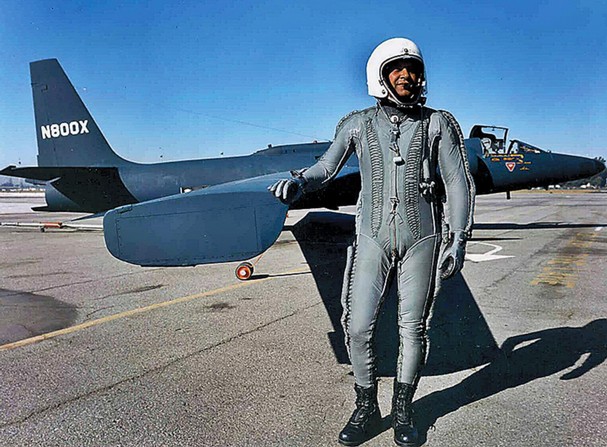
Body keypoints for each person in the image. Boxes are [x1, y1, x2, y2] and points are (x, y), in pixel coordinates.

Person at [269, 37, 475, 447]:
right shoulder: (357, 124)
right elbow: (326, 167)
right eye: (397, 68)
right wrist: (298, 182)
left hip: (423, 238)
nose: (406, 76)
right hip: (372, 237)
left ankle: (403, 409)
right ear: (379, 75)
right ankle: (366, 406)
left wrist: (458, 238)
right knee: (357, 326)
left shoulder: (439, 123)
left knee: (413, 328)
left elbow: (458, 182)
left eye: (412, 69)